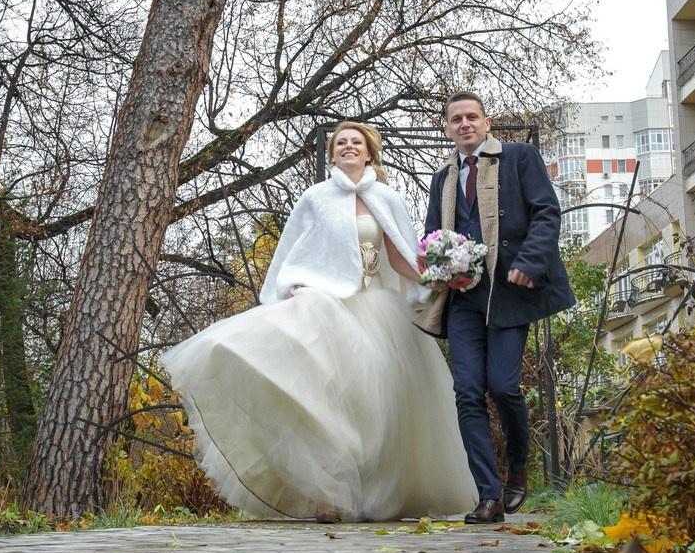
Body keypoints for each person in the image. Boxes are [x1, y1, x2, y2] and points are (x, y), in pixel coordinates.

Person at [161, 122, 476, 523]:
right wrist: (291, 285)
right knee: (327, 399)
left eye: (355, 143)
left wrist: (439, 276)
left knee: (376, 405)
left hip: (377, 308)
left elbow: (400, 256)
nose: (347, 147)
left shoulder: (387, 198)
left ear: (369, 153)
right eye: (340, 143)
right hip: (326, 304)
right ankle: (329, 497)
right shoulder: (315, 198)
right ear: (331, 155)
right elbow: (294, 249)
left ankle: (375, 494)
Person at [420, 91, 575, 524]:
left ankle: (518, 467)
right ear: (447, 129)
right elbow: (436, 233)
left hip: (509, 290)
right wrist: (439, 268)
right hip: (463, 299)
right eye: (456, 119)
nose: (465, 124)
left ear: (486, 124)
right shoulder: (442, 179)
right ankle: (488, 495)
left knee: (504, 387)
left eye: (473, 117)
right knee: (467, 390)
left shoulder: (519, 157)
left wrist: (528, 262)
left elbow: (547, 212)